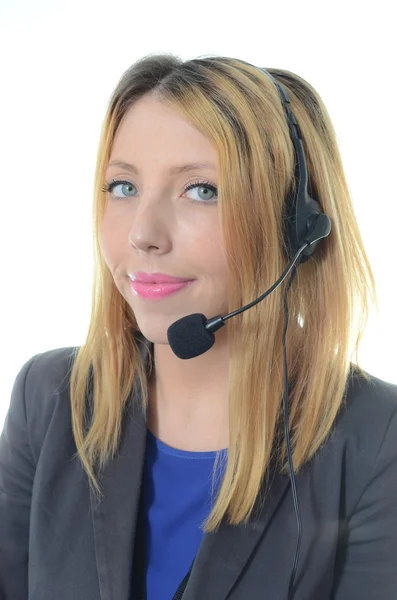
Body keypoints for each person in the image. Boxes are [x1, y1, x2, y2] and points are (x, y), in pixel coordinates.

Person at [1, 53, 396, 600]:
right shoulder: (49, 399)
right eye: (123, 187)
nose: (143, 234)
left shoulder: (377, 438)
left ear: (295, 229)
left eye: (201, 190)